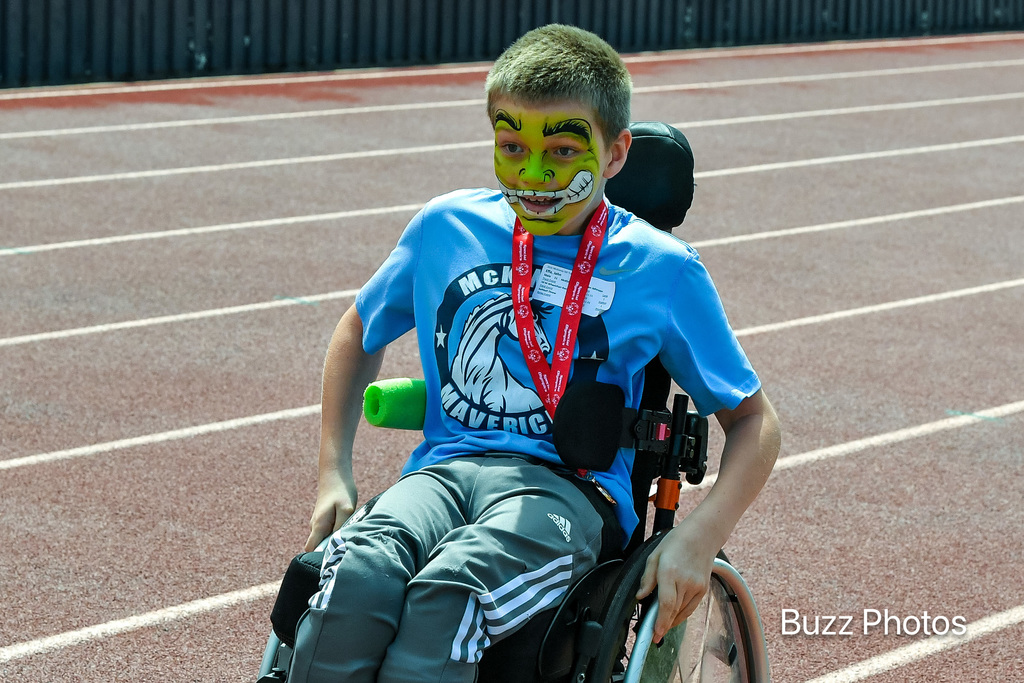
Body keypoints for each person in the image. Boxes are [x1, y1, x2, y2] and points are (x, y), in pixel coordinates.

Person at [289, 23, 781, 683]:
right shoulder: (445, 227)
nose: (535, 176)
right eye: (512, 147)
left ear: (615, 154)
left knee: (452, 595)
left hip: (569, 496)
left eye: (560, 152)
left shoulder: (662, 268)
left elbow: (755, 422)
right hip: (440, 474)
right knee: (354, 575)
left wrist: (699, 535)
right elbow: (356, 332)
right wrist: (334, 472)